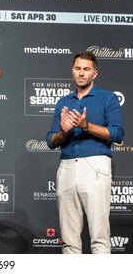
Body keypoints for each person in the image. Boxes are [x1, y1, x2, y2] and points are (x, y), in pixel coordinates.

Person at [46, 51, 124, 254]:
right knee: (69, 241)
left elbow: (117, 133)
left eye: (86, 69)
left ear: (94, 74)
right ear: (72, 71)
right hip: (67, 167)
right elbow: (51, 141)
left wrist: (86, 126)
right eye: (78, 68)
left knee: (99, 238)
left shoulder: (108, 98)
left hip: (96, 166)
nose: (81, 73)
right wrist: (64, 132)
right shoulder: (63, 102)